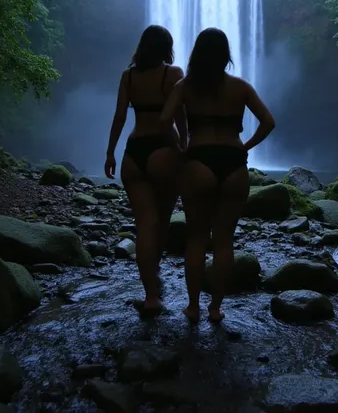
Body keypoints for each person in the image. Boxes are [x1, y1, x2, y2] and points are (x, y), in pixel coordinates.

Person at [160, 28, 275, 323]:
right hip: (234, 163)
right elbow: (268, 121)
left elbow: (164, 121)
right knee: (225, 240)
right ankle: (215, 309)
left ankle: (194, 307)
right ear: (226, 55)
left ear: (196, 54)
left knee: (197, 238)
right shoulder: (241, 87)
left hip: (198, 160)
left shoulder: (185, 87)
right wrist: (245, 146)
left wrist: (181, 147)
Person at [105, 24, 187, 315]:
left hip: (134, 152)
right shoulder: (173, 74)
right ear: (167, 48)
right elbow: (179, 117)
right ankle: (155, 275)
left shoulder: (129, 76)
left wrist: (110, 152)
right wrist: (185, 146)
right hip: (164, 149)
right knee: (161, 221)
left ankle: (151, 294)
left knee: (144, 225)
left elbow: (119, 116)